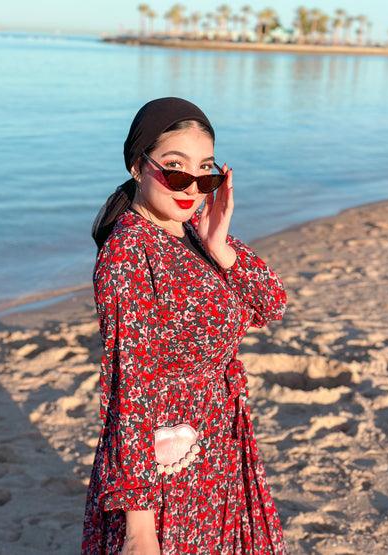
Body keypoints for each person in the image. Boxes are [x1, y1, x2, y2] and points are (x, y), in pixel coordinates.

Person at [82, 97, 288, 554]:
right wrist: (139, 528)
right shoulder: (128, 253)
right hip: (169, 457)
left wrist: (221, 248)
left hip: (222, 435)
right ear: (138, 165)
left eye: (206, 171)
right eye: (174, 167)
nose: (190, 185)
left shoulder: (197, 228)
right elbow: (129, 386)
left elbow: (271, 304)